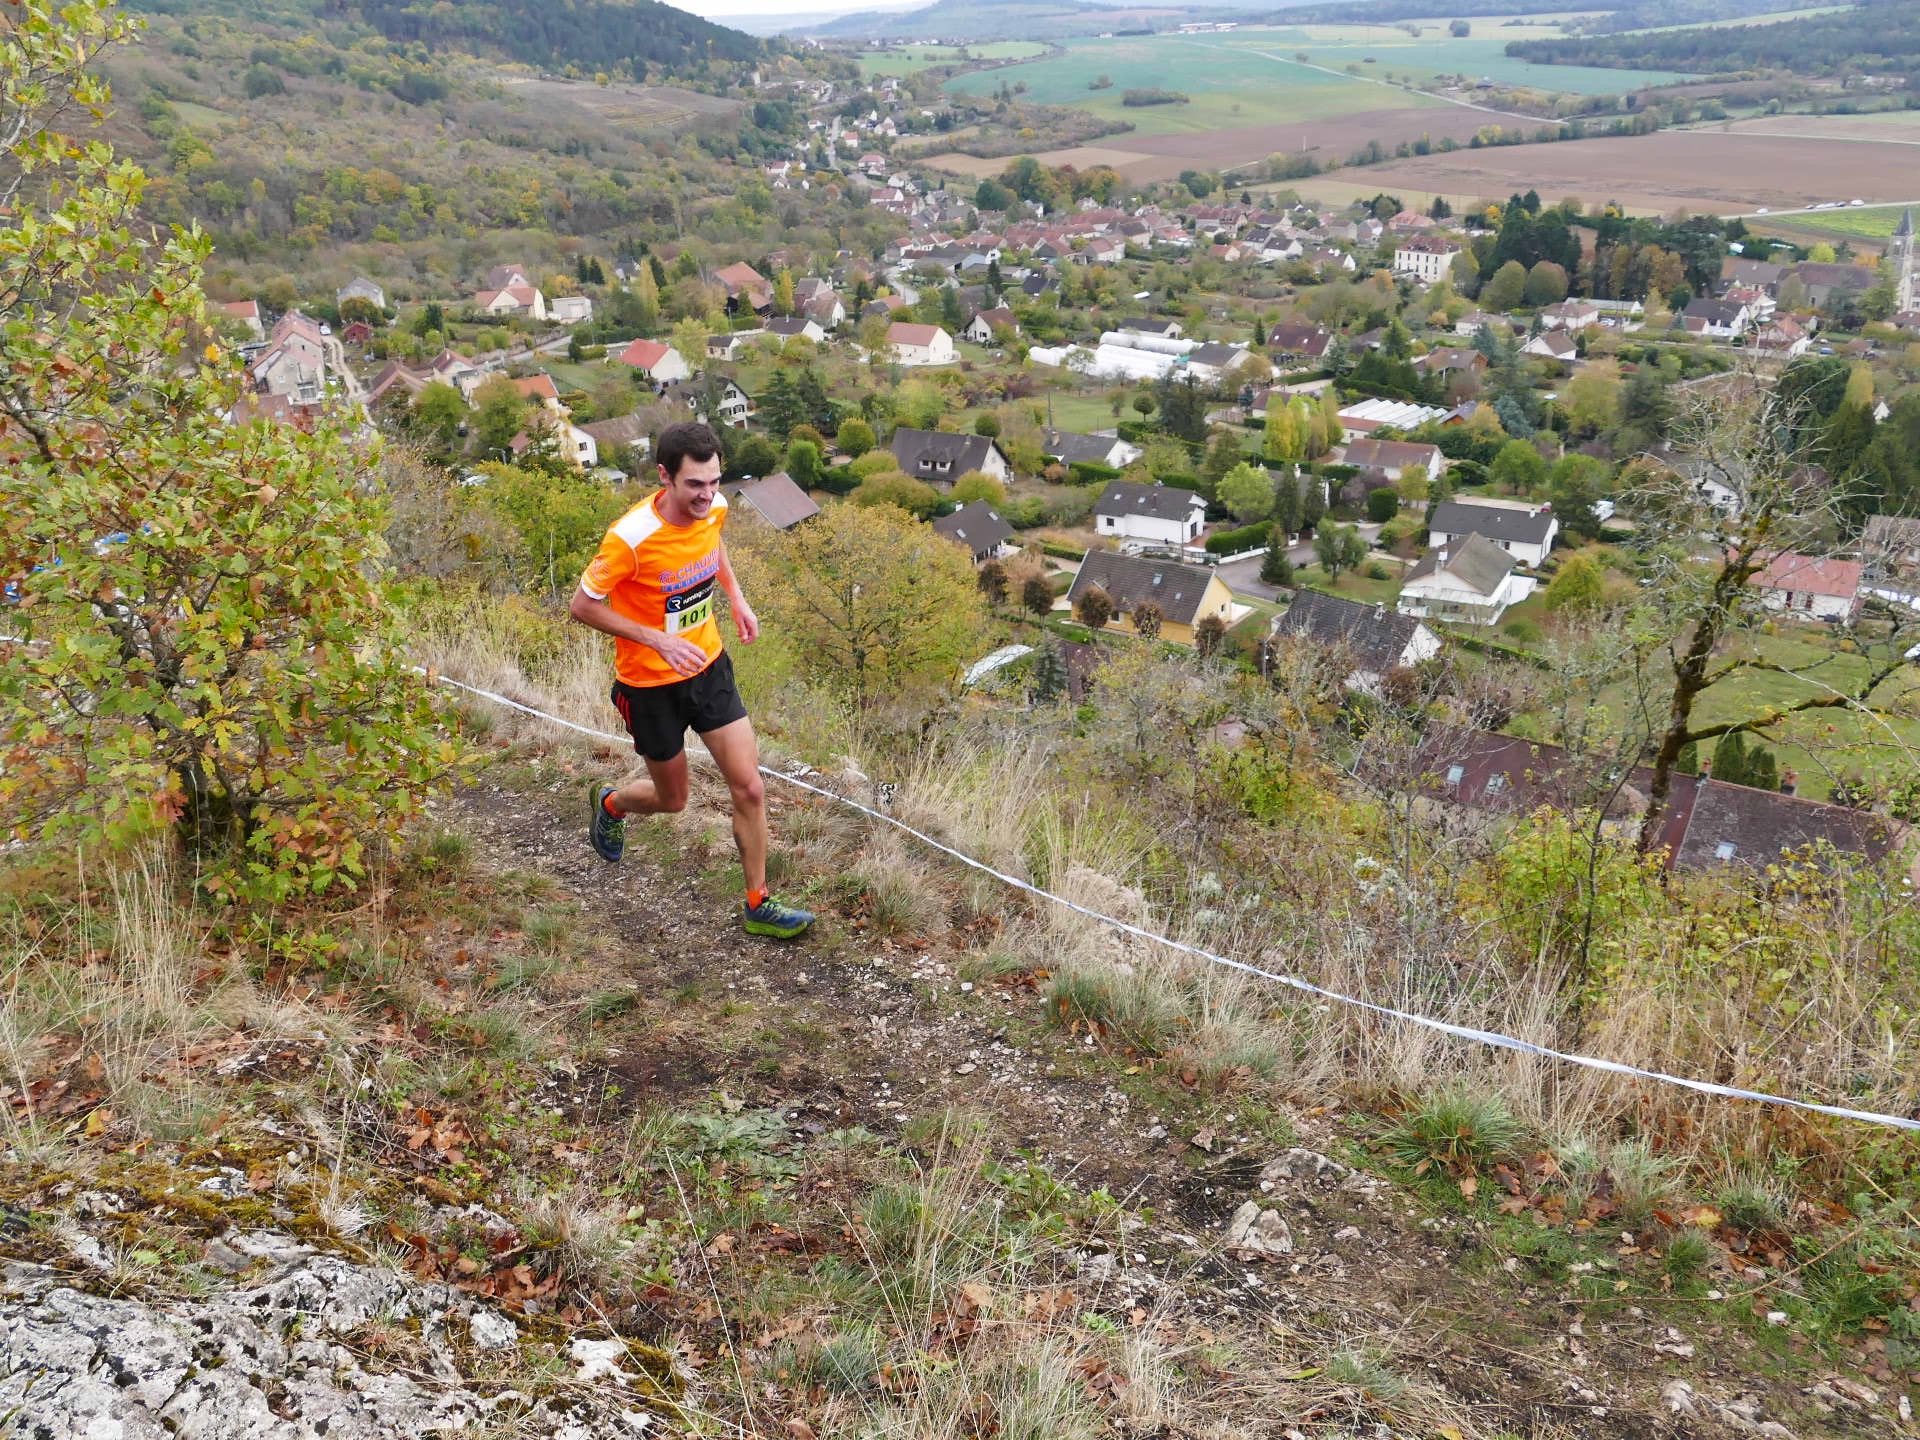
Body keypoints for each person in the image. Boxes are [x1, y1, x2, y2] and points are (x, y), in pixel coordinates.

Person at [569, 421, 814, 939]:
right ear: (665, 476)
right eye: (695, 485)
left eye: (714, 481)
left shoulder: (717, 507)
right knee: (673, 799)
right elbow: (582, 606)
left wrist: (738, 598)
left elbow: (713, 547)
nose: (707, 495)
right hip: (649, 686)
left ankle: (758, 903)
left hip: (708, 667)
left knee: (748, 786)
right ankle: (613, 803)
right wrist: (655, 639)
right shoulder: (631, 537)